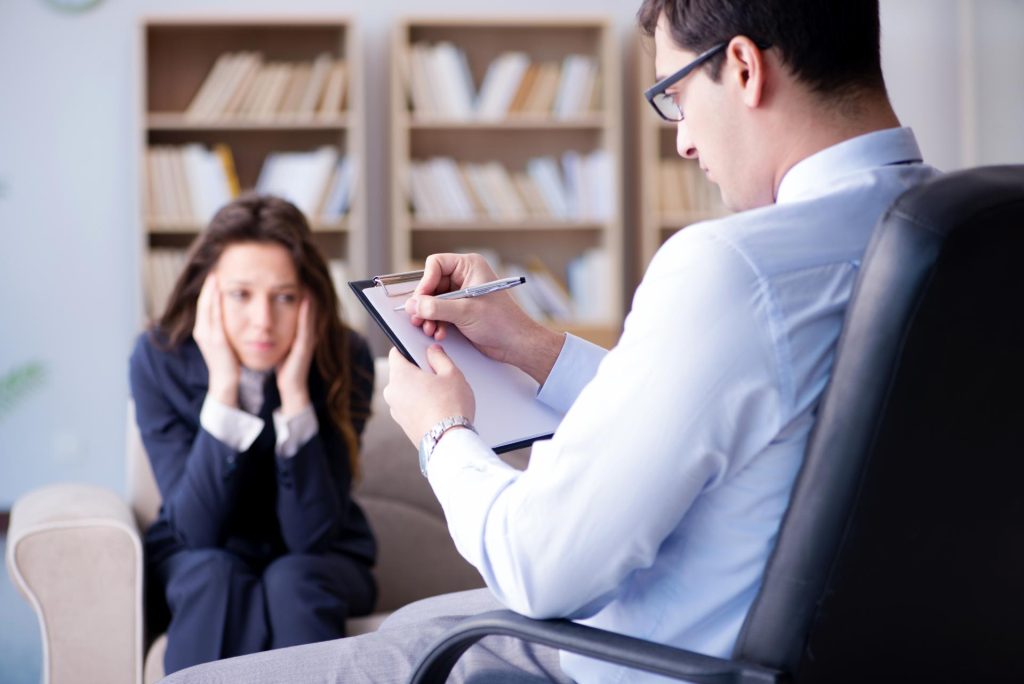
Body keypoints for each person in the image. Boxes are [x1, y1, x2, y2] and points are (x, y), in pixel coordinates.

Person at [162, 0, 938, 681]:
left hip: (658, 664)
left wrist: (441, 428)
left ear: (741, 67)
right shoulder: (959, 233)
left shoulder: (733, 267)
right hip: (848, 653)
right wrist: (530, 346)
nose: (684, 145)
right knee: (408, 628)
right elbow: (737, 411)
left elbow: (536, 565)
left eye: (675, 95)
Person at [130, 194, 377, 674]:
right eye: (241, 295)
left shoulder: (346, 357)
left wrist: (294, 396)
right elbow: (196, 531)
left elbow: (312, 536)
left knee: (294, 580)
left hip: (321, 557)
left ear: (308, 300)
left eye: (283, 297)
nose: (263, 321)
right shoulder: (158, 359)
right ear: (208, 294)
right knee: (213, 575)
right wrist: (224, 391)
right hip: (199, 555)